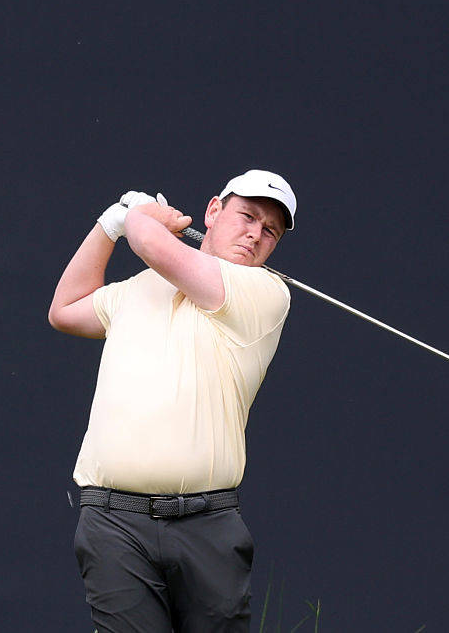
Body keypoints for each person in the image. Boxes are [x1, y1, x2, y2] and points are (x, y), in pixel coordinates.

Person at [47, 170, 297, 632]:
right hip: (113, 522)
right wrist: (108, 226)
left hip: (208, 525)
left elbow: (150, 242)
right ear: (213, 211)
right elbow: (64, 310)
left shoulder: (265, 293)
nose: (255, 234)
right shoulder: (139, 288)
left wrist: (139, 217)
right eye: (247, 216)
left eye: (270, 231)